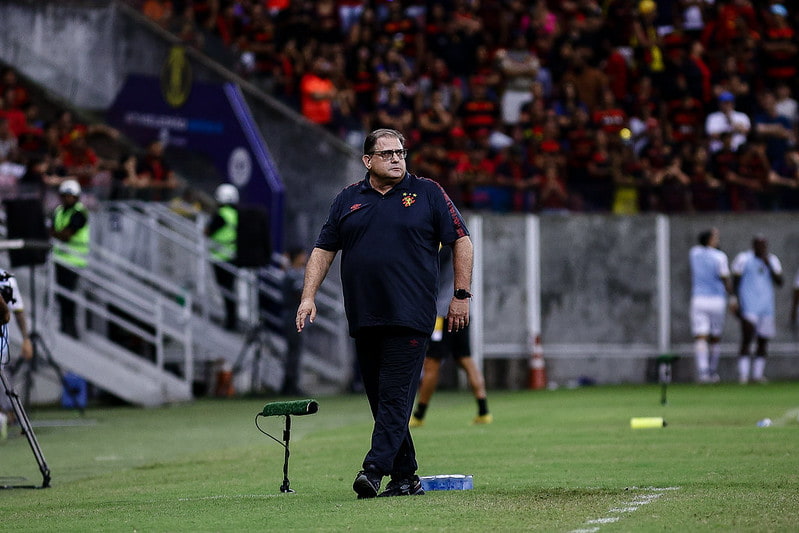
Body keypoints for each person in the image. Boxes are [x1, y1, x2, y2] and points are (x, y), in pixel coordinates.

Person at [296, 128, 472, 499]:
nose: (397, 159)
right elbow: (323, 250)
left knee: (393, 396)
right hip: (364, 317)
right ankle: (406, 478)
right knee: (382, 399)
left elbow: (462, 240)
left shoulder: (427, 192)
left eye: (401, 152)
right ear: (368, 161)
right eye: (388, 153)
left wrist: (461, 294)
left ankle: (373, 470)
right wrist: (307, 297)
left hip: (410, 314)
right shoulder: (347, 199)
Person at [410, 245, 491, 427]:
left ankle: (419, 415)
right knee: (465, 358)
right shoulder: (461, 241)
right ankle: (483, 410)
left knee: (431, 363)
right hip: (461, 310)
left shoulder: (441, 243)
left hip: (442, 313)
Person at [731, 235, 783, 384]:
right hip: (748, 306)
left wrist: (769, 265)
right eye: (759, 245)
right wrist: (735, 301)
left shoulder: (772, 260)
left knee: (763, 341)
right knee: (747, 339)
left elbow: (780, 281)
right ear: (753, 245)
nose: (762, 248)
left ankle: (758, 375)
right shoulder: (743, 259)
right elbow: (736, 281)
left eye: (764, 245)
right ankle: (743, 375)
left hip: (766, 307)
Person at [689, 228, 735, 384]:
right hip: (716, 299)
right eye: (715, 237)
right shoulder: (720, 256)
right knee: (715, 337)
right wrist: (733, 297)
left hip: (698, 299)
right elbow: (725, 278)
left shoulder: (694, 253)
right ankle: (712, 371)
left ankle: (703, 373)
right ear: (709, 240)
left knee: (700, 336)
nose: (718, 240)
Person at [51, 179, 90, 338]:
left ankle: (72, 329)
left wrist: (54, 234)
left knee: (69, 296)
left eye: (70, 196)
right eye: (65, 195)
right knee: (60, 295)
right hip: (60, 259)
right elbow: (53, 230)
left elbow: (66, 235)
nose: (67, 199)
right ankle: (64, 326)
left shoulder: (80, 213)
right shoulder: (58, 211)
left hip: (75, 261)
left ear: (76, 197)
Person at [0, 269, 33, 424]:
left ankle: (8, 415)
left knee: (4, 390)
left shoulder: (5, 279)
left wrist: (26, 339)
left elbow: (15, 311)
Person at [205, 183, 239, 331]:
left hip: (220, 257)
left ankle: (231, 322)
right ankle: (233, 320)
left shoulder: (221, 215)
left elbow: (207, 231)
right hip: (233, 255)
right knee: (231, 290)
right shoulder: (235, 214)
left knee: (225, 291)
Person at [279, 247, 307, 396]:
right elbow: (299, 293)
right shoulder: (293, 275)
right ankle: (291, 384)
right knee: (294, 351)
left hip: (290, 313)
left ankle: (289, 383)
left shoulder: (290, 273)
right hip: (292, 314)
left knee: (293, 351)